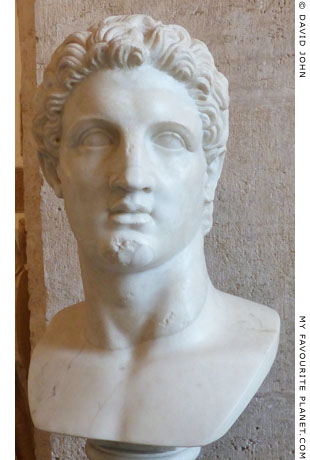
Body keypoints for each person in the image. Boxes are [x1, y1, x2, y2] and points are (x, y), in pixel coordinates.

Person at [29, 15, 280, 452]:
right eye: (95, 138)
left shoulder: (251, 338)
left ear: (210, 174)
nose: (132, 175)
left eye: (168, 139)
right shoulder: (54, 346)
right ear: (54, 169)